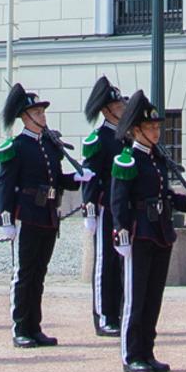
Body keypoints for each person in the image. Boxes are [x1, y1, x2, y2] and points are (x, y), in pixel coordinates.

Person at [112, 93, 186, 372]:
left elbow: (166, 195)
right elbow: (118, 200)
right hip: (139, 232)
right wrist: (121, 231)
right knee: (136, 297)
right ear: (136, 130)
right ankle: (131, 354)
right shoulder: (128, 160)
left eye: (158, 127)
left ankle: (147, 350)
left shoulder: (156, 159)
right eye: (151, 128)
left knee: (153, 296)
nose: (156, 132)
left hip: (159, 230)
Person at [0, 83, 71, 348]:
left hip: (47, 213)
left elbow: (57, 179)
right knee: (24, 273)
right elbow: (5, 183)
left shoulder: (49, 145)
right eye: (37, 113)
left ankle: (34, 325)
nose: (42, 117)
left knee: (40, 272)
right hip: (26, 214)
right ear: (25, 117)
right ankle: (21, 327)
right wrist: (5, 217)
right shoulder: (16, 147)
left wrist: (79, 178)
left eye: (42, 113)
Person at [76, 78, 132, 338]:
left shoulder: (127, 136)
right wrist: (89, 210)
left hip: (125, 207)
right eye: (117, 104)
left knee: (123, 263)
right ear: (106, 110)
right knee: (105, 263)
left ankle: (119, 311)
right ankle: (104, 315)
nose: (122, 106)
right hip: (105, 207)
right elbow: (90, 177)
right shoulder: (100, 139)